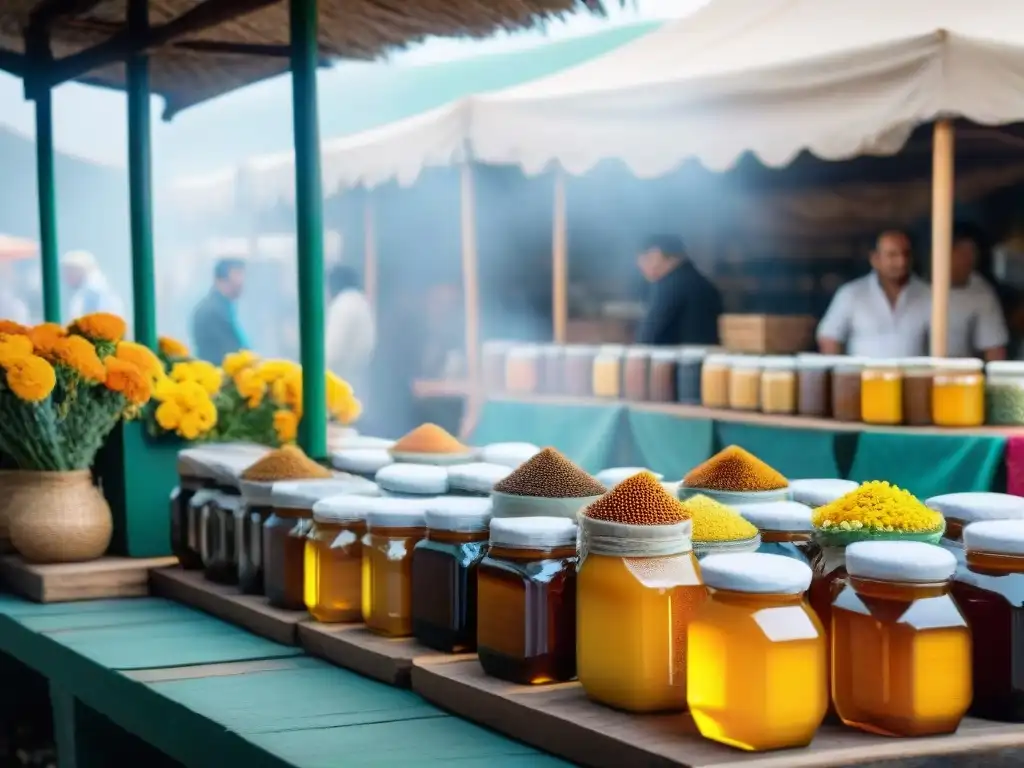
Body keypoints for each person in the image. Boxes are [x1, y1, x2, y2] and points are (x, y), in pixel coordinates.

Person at [817, 230, 931, 357]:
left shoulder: (929, 294)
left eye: (906, 254)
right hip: (863, 376)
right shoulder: (851, 294)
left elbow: (945, 341)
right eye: (892, 255)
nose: (901, 262)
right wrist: (840, 373)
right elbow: (829, 337)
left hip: (915, 376)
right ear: (875, 259)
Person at [635, 235, 722, 346]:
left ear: (655, 255)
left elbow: (648, 337)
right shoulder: (700, 282)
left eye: (642, 260)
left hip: (679, 360)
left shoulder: (670, 286)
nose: (640, 267)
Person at [946, 224, 1008, 361]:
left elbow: (994, 350)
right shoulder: (915, 288)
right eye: (961, 252)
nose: (968, 259)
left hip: (960, 377)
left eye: (972, 252)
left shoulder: (981, 293)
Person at [325, 264, 376, 397]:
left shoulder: (344, 305)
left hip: (340, 386)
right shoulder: (361, 302)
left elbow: (331, 353)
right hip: (357, 384)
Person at [191, 258, 248, 364]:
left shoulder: (222, 307)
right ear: (221, 279)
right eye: (237, 274)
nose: (242, 281)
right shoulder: (212, 312)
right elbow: (233, 354)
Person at [62, 250, 124, 319]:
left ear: (80, 270)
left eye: (70, 271)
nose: (66, 276)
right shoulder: (81, 292)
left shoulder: (96, 293)